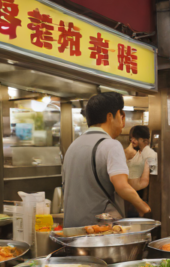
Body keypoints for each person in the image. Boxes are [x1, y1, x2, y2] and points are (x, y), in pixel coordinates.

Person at [62, 93, 150, 227]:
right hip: (100, 232)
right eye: (121, 115)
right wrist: (143, 207)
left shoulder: (73, 146)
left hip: (72, 230)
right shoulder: (111, 145)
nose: (122, 121)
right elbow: (122, 187)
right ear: (110, 116)